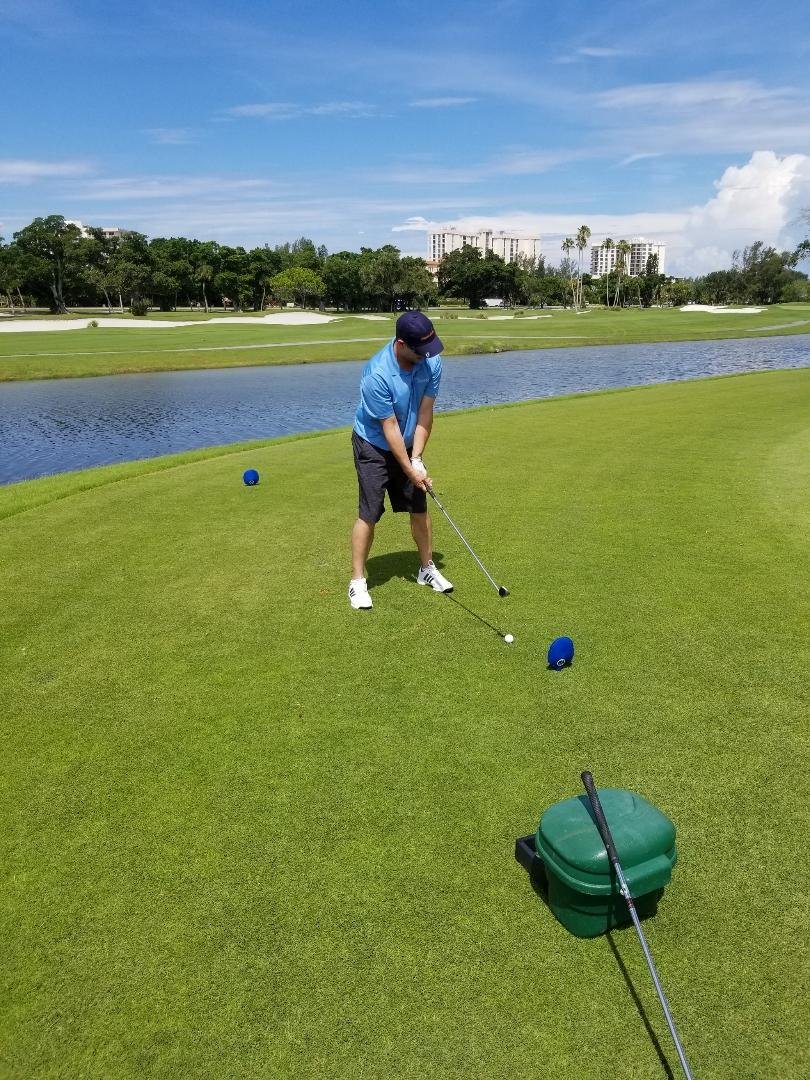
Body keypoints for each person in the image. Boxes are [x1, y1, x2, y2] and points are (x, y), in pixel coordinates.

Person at [349, 310, 453, 610]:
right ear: (400, 344)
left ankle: (426, 568)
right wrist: (409, 469)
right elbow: (389, 427)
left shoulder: (431, 361)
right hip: (373, 445)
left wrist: (417, 459)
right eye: (419, 351)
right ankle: (357, 580)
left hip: (408, 443)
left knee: (419, 507)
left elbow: (425, 412)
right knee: (369, 512)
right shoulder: (377, 374)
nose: (426, 356)